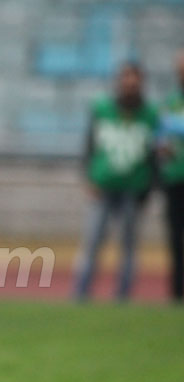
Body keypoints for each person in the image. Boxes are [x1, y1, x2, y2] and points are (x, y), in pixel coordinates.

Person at [73, 62, 158, 302]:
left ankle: (122, 295)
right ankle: (81, 293)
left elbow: (154, 153)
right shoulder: (102, 109)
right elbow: (90, 143)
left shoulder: (150, 114)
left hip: (133, 186)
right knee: (92, 242)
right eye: (125, 78)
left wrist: (149, 187)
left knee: (129, 245)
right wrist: (88, 176)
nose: (129, 83)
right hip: (103, 185)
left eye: (134, 79)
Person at [158, 50, 184, 302]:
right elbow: (160, 139)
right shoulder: (170, 103)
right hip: (175, 178)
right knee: (175, 238)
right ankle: (177, 293)